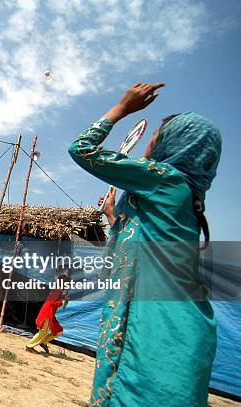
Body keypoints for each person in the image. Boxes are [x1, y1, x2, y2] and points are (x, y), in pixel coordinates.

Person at [68, 83, 221, 406]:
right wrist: (114, 217)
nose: (150, 140)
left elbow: (81, 149)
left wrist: (122, 107)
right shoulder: (185, 195)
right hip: (177, 330)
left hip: (158, 329)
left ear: (175, 144)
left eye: (156, 135)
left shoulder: (164, 178)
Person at [26, 275, 68, 354]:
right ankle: (29, 346)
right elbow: (52, 303)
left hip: (51, 314)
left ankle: (43, 342)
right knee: (42, 332)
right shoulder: (57, 290)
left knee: (59, 331)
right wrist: (62, 302)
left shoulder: (59, 290)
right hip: (47, 313)